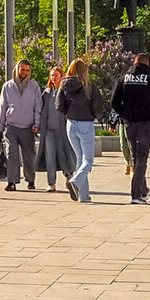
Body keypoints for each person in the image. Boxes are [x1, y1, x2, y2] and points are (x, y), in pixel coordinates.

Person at [111, 55, 150, 205]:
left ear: (134, 62)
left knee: (135, 157)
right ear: (147, 63)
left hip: (130, 122)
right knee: (142, 158)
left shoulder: (124, 78)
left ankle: (143, 189)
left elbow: (114, 101)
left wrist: (124, 113)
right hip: (146, 121)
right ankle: (136, 195)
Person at [0, 59, 43, 193]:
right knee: (11, 153)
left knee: (29, 155)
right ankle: (11, 182)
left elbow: (38, 106)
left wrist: (37, 123)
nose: (24, 72)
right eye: (22, 69)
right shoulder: (7, 86)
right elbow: (2, 106)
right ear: (17, 70)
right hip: (11, 126)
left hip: (28, 127)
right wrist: (0, 126)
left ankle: (30, 179)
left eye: (27, 70)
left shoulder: (34, 86)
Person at [57, 59, 99, 202]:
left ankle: (83, 195)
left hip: (70, 123)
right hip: (85, 123)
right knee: (88, 160)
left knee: (80, 159)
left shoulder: (63, 84)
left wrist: (69, 113)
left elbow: (59, 105)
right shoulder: (88, 86)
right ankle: (75, 181)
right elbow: (98, 105)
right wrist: (93, 115)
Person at [38, 66, 70, 193]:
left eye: (56, 75)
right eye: (52, 75)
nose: (54, 78)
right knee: (49, 156)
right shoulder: (46, 93)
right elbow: (40, 108)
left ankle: (69, 176)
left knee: (62, 155)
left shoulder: (66, 91)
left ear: (62, 76)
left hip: (61, 129)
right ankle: (51, 183)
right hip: (48, 130)